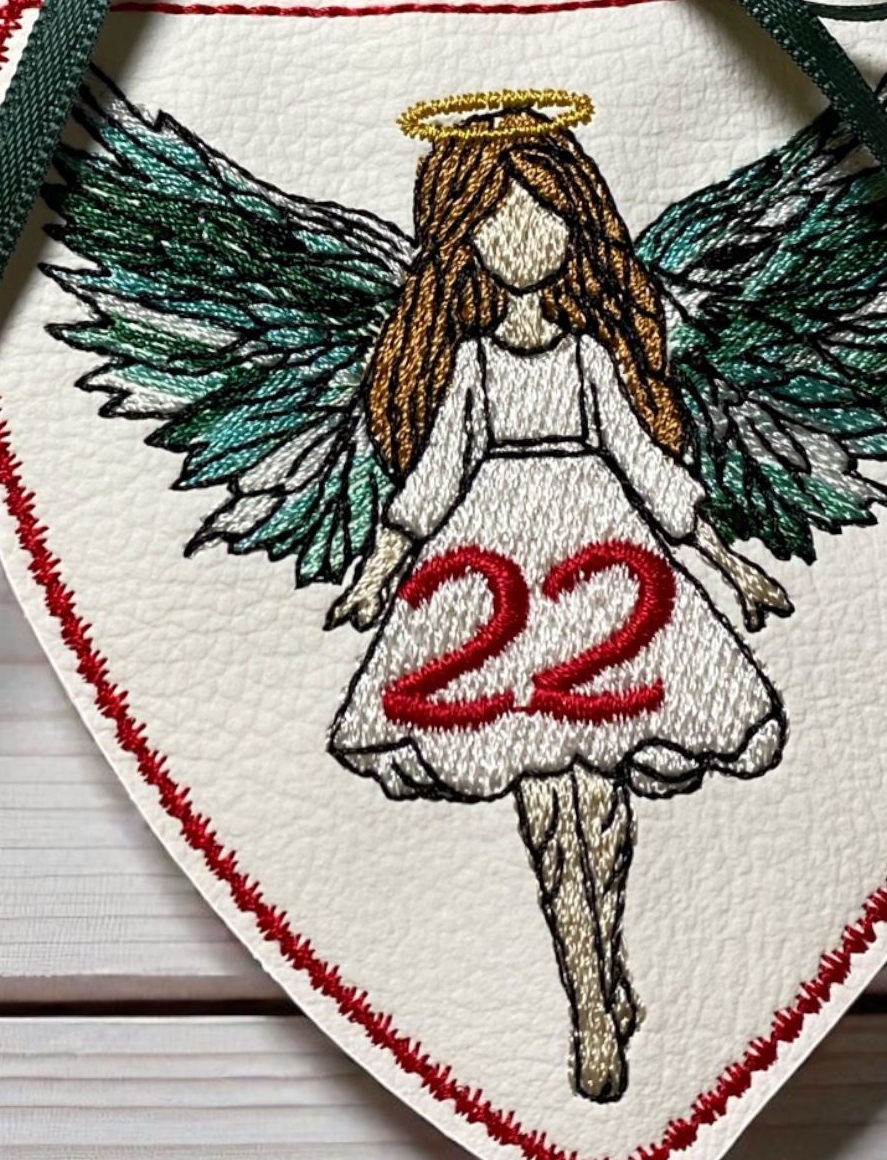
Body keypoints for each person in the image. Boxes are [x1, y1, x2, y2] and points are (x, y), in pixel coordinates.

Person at [329, 98, 790, 1104]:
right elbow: (435, 473)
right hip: (490, 573)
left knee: (600, 797)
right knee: (545, 799)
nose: (522, 235)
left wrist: (725, 562)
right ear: (459, 238)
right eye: (495, 218)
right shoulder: (470, 364)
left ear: (577, 221)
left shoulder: (589, 357)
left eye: (542, 211)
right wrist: (380, 566)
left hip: (607, 569)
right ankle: (588, 1002)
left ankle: (606, 961)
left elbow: (646, 462)